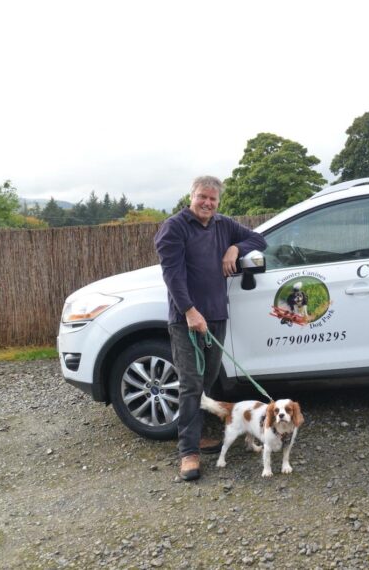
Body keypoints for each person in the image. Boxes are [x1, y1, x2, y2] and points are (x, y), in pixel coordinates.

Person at [154, 175, 267, 480]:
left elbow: (259, 240)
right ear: (191, 197)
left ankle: (200, 434)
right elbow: (172, 276)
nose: (207, 203)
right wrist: (190, 311)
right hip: (186, 320)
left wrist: (234, 249)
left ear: (218, 202)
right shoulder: (174, 228)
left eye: (213, 199)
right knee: (191, 383)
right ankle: (188, 453)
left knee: (207, 379)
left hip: (217, 315)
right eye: (202, 197)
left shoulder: (223, 225)